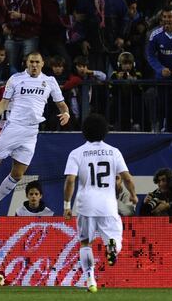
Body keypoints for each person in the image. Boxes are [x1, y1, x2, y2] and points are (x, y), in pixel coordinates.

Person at [0, 52, 70, 225]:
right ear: (26, 63)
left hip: (31, 133)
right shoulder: (15, 79)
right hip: (13, 128)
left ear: (43, 63)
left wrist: (65, 113)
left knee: (17, 174)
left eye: (37, 62)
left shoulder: (50, 82)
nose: (34, 65)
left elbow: (61, 104)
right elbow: (3, 104)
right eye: (31, 62)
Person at [63, 113, 137, 293]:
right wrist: (133, 195)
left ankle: (90, 281)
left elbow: (70, 180)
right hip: (108, 204)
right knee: (116, 239)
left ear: (84, 132)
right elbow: (127, 178)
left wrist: (66, 205)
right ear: (105, 132)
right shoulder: (114, 151)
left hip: (85, 204)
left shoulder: (77, 153)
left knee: (85, 243)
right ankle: (111, 244)